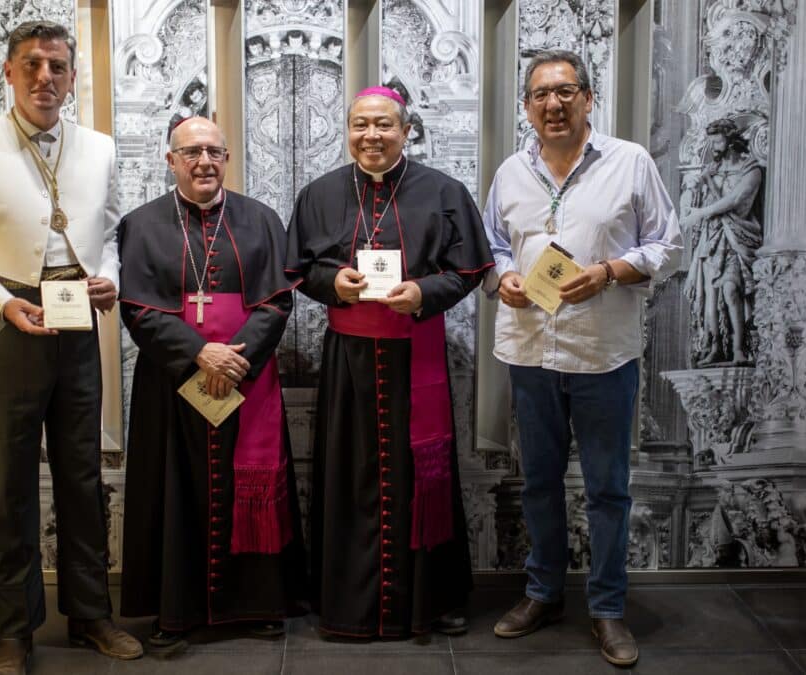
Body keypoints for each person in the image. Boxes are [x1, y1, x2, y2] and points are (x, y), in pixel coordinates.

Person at [0, 20, 142, 675]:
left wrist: (112, 276)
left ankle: (91, 614)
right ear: (9, 73)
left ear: (72, 76)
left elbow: (111, 232)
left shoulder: (99, 147)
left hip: (77, 318)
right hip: (8, 320)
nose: (45, 77)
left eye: (56, 66)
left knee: (82, 474)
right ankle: (13, 629)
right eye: (32, 66)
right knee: (10, 482)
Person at [482, 49, 682, 667]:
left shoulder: (630, 162)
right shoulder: (511, 171)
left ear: (588, 98)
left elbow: (667, 245)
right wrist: (505, 276)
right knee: (538, 482)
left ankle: (608, 608)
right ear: (527, 107)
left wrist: (610, 271)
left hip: (602, 354)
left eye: (565, 91)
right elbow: (492, 244)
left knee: (607, 490)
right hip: (530, 352)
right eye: (541, 94)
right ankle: (543, 594)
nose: (553, 104)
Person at [285, 87, 492, 638]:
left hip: (415, 355)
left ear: (406, 130)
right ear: (347, 130)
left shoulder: (444, 191)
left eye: (383, 125)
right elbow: (297, 269)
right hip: (347, 361)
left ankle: (431, 599)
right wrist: (334, 282)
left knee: (422, 473)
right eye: (359, 125)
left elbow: (469, 269)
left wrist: (424, 291)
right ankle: (346, 604)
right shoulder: (320, 193)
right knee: (350, 476)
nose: (370, 136)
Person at [117, 116, 306, 652]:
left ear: (226, 158)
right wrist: (198, 352)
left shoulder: (261, 219)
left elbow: (277, 301)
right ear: (170, 160)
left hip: (246, 378)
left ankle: (258, 603)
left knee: (250, 488)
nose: (204, 162)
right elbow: (136, 308)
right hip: (173, 380)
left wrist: (232, 359)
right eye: (191, 152)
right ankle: (176, 609)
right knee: (174, 491)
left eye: (214, 152)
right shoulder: (142, 223)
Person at [682, 117, 763, 366]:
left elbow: (736, 201)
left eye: (717, 140)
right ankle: (716, 346)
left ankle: (739, 348)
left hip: (736, 237)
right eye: (711, 141)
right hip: (712, 237)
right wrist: (690, 189)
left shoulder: (751, 170)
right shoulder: (711, 171)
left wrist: (702, 213)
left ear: (730, 140)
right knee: (709, 295)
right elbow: (690, 204)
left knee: (731, 290)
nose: (714, 146)